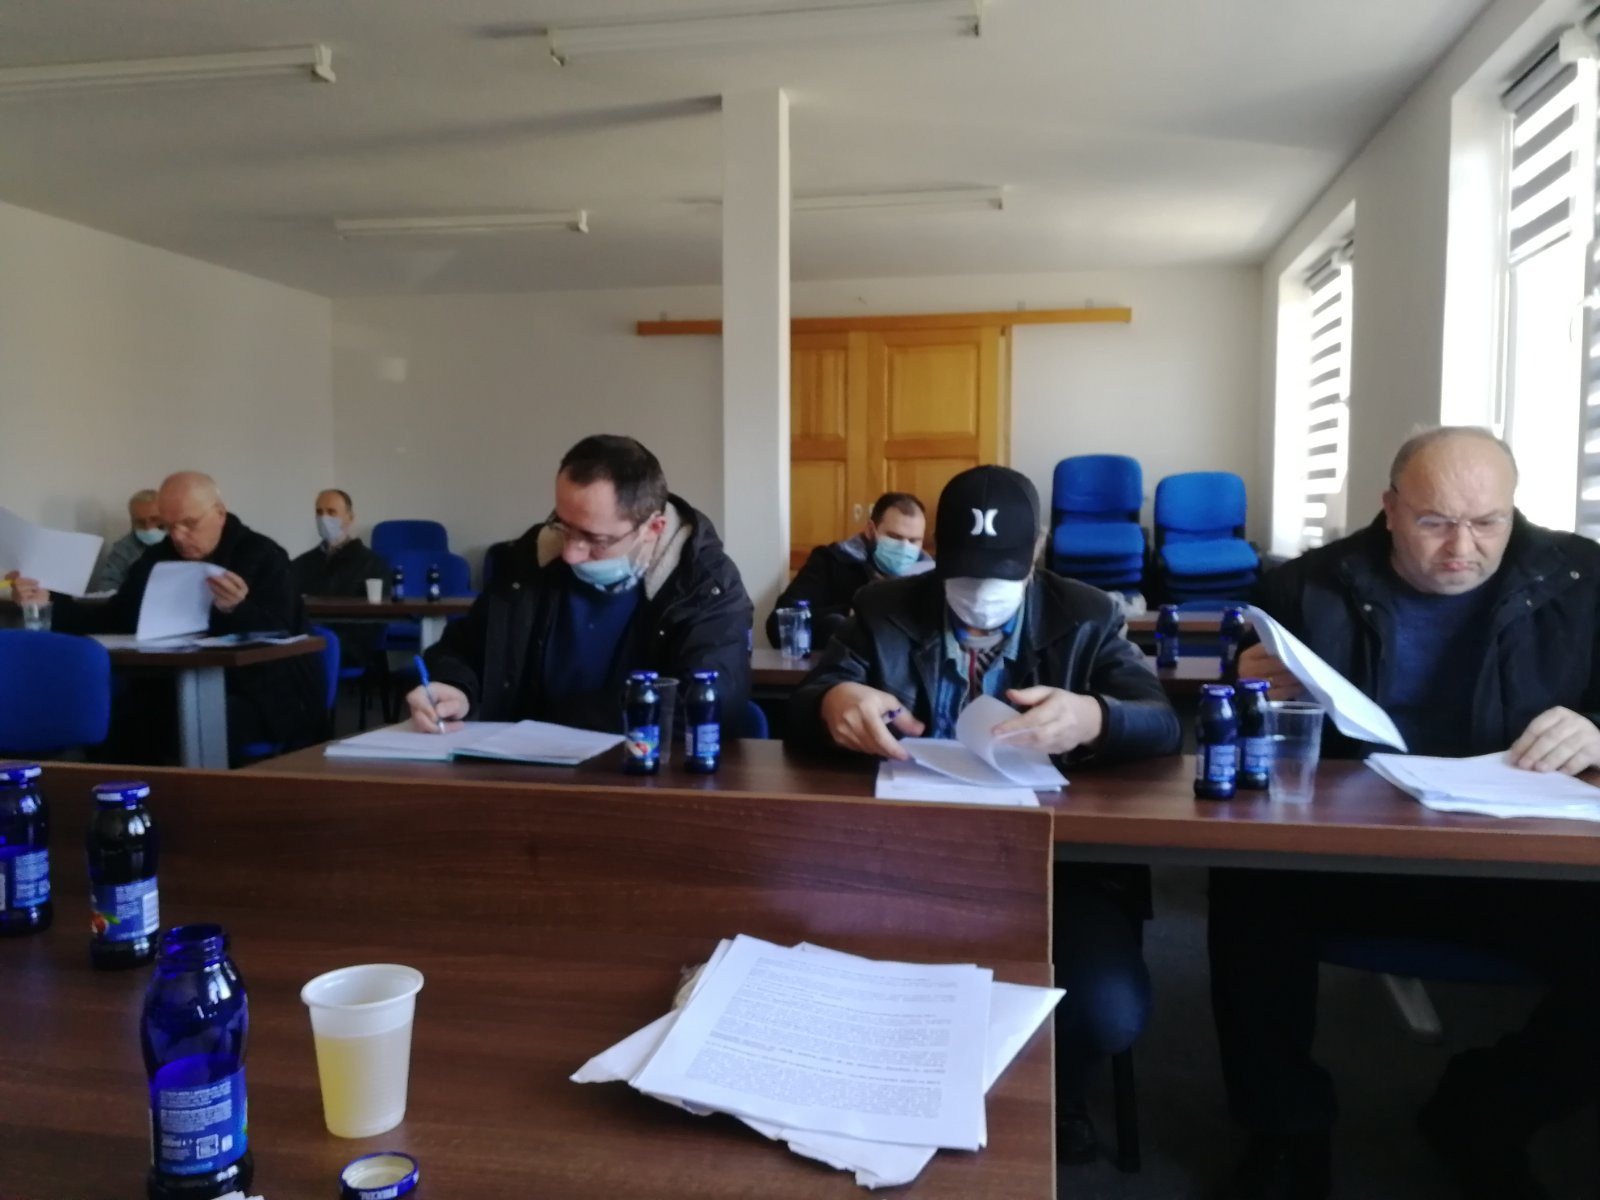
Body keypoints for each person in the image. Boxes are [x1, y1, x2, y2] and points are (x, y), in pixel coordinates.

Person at [1210, 427, 1600, 1200]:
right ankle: (1286, 1130)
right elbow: (1244, 732)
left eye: (1487, 522)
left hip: (1527, 863)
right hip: (1358, 856)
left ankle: (1489, 1109)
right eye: (1434, 522)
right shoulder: (1308, 587)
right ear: (1389, 509)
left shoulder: (1583, 581)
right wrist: (1253, 690)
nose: (1462, 547)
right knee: (1247, 887)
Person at [787, 464, 1181, 1165]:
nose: (980, 596)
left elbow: (1160, 721)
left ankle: (1061, 1096)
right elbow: (808, 700)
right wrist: (833, 702)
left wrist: (1094, 716)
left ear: (1036, 552)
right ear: (939, 552)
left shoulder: (1088, 615)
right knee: (812, 961)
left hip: (1052, 866)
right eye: (964, 575)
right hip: (903, 856)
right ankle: (876, 1096)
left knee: (1107, 1009)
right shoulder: (882, 607)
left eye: (1001, 576)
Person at [407, 435, 752, 734]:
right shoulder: (531, 560)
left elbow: (708, 699)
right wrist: (454, 687)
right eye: (563, 525)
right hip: (521, 772)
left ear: (653, 529)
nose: (570, 553)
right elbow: (464, 648)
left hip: (643, 772)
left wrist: (563, 723)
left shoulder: (705, 585)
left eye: (595, 539)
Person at [12, 471, 325, 763]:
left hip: (261, 690)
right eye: (169, 526)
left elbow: (283, 632)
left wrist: (238, 610)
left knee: (185, 728)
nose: (178, 536)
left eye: (189, 523)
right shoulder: (158, 557)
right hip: (169, 684)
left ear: (219, 513)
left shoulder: (263, 555)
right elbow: (117, 617)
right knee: (110, 721)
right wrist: (49, 602)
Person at [766, 491, 933, 648]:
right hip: (841, 664)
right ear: (870, 530)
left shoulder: (930, 576)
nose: (904, 547)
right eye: (894, 537)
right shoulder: (831, 561)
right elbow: (779, 625)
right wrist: (849, 614)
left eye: (914, 540)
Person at [289, 488, 390, 663]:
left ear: (350, 518)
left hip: (350, 646)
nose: (324, 518)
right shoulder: (301, 564)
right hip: (305, 640)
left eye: (331, 512)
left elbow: (375, 623)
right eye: (319, 512)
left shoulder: (372, 565)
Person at [90, 488, 166, 593]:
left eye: (154, 519)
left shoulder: (181, 542)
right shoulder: (123, 549)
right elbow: (107, 585)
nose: (148, 527)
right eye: (140, 522)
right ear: (132, 522)